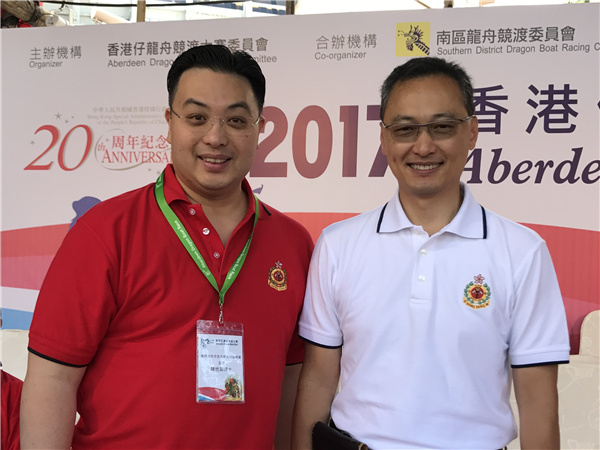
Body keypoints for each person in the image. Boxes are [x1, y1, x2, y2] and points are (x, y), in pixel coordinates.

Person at [21, 44, 313, 449]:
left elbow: (292, 381)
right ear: (170, 123)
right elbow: (52, 378)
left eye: (236, 120)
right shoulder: (105, 232)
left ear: (260, 128)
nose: (215, 137)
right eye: (196, 118)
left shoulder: (293, 244)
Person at [291, 57, 570, 449]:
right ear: (384, 138)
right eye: (405, 129)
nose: (423, 146)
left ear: (472, 132)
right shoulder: (338, 244)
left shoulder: (522, 252)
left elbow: (538, 404)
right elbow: (318, 379)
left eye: (442, 127)